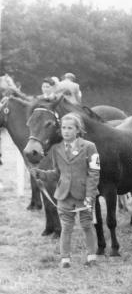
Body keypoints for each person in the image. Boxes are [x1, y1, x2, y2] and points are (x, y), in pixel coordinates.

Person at [30, 112, 100, 269]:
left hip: (84, 194)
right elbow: (57, 173)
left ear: (78, 130)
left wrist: (90, 195)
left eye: (70, 128)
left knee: (87, 225)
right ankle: (65, 259)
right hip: (63, 194)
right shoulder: (56, 149)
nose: (66, 131)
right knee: (66, 227)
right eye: (63, 128)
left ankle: (91, 257)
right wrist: (41, 174)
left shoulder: (89, 147)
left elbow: (94, 173)